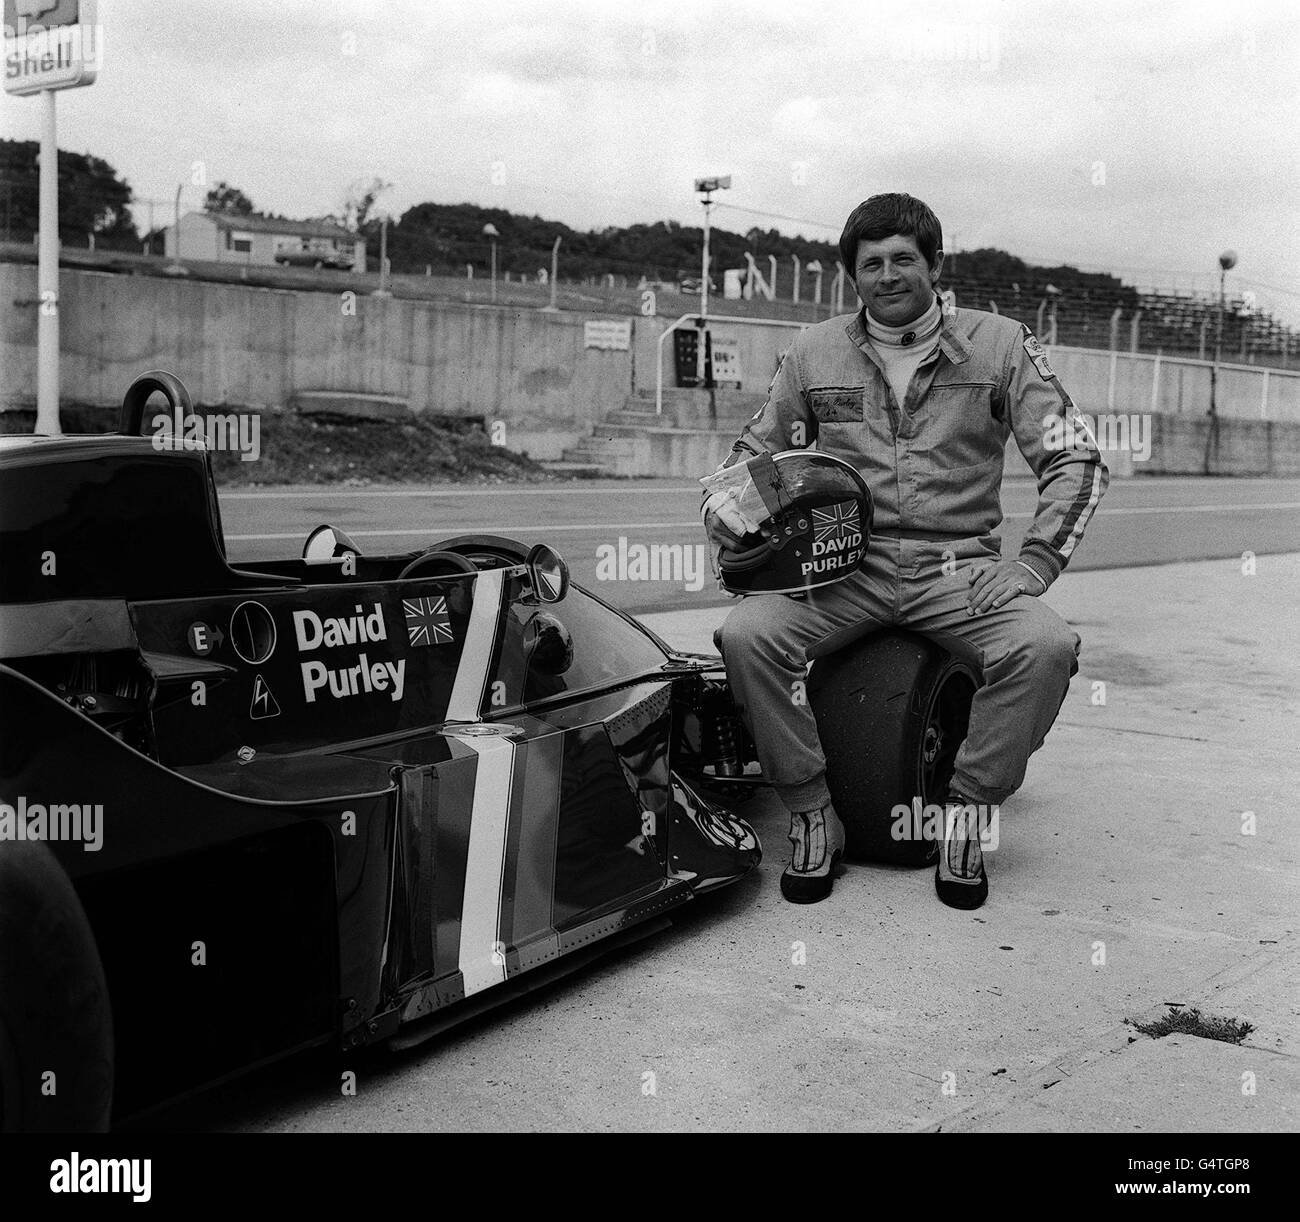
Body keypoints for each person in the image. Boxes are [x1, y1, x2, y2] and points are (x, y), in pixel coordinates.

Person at [702, 192, 1107, 909]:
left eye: (903, 260)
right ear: (852, 276)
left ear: (935, 264)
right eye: (871, 265)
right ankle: (810, 811)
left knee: (1044, 649)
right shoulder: (813, 351)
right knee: (747, 636)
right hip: (842, 568)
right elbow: (754, 459)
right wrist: (731, 521)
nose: (888, 276)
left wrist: (1034, 562)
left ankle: (967, 812)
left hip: (958, 569)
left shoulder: (1000, 344)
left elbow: (1075, 459)